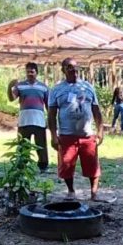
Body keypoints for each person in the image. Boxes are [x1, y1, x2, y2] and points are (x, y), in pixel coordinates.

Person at [48, 58, 104, 201]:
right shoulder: (57, 89)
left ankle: (94, 193)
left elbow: (96, 111)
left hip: (87, 135)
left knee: (92, 164)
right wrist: (54, 136)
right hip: (67, 135)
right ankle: (71, 191)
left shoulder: (88, 87)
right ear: (63, 70)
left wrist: (100, 130)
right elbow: (51, 115)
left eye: (75, 67)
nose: (73, 70)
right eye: (69, 67)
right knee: (66, 164)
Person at [10, 62, 50, 173]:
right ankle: (22, 166)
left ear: (37, 72)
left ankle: (43, 166)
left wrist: (49, 119)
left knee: (41, 145)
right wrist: (10, 87)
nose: (30, 74)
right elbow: (11, 98)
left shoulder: (43, 87)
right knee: (23, 145)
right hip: (24, 120)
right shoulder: (20, 86)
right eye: (27, 72)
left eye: (32, 71)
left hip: (39, 120)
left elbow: (48, 105)